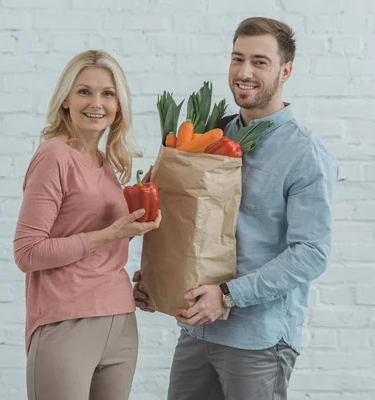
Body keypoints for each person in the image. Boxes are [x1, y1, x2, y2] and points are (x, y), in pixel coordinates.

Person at [133, 17, 338, 400]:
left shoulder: (305, 153)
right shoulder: (212, 135)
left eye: (260, 61)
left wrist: (227, 295)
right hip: (196, 331)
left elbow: (312, 253)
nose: (244, 72)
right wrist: (158, 279)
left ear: (286, 70)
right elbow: (186, 222)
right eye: (237, 58)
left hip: (257, 340)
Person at [13, 50, 161, 400]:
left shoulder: (106, 164)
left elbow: (108, 247)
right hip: (66, 322)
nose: (96, 103)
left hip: (120, 322)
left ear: (119, 104)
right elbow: (27, 252)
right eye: (84, 91)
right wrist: (109, 235)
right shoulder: (54, 157)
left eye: (107, 94)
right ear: (65, 99)